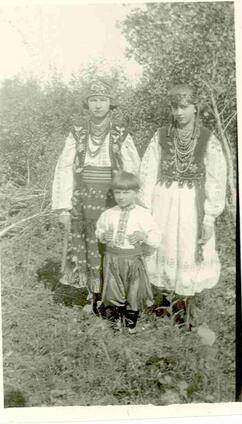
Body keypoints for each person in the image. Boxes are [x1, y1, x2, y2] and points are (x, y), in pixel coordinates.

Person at [138, 83, 227, 327]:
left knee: (188, 246)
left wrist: (209, 215)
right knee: (165, 245)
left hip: (191, 205)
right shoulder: (161, 135)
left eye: (184, 107)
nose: (178, 112)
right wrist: (144, 208)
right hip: (163, 202)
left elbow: (217, 177)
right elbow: (147, 170)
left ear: (196, 108)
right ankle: (165, 302)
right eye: (174, 107)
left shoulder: (208, 138)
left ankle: (186, 308)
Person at [52, 79, 141, 311]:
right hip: (83, 201)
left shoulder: (121, 134)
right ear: (87, 104)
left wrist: (134, 203)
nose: (98, 105)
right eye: (93, 100)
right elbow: (63, 169)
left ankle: (113, 297)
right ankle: (91, 298)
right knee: (86, 247)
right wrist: (63, 206)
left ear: (110, 104)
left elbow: (133, 170)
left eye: (102, 100)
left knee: (111, 245)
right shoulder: (77, 134)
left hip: (112, 200)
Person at [95, 171, 161, 333]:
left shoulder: (143, 214)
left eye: (126, 192)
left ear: (136, 193)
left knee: (133, 291)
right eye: (118, 192)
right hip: (112, 259)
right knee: (112, 290)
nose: (121, 197)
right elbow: (99, 231)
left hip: (132, 260)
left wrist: (143, 236)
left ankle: (130, 324)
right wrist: (103, 236)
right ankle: (115, 321)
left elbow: (156, 236)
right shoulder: (108, 214)